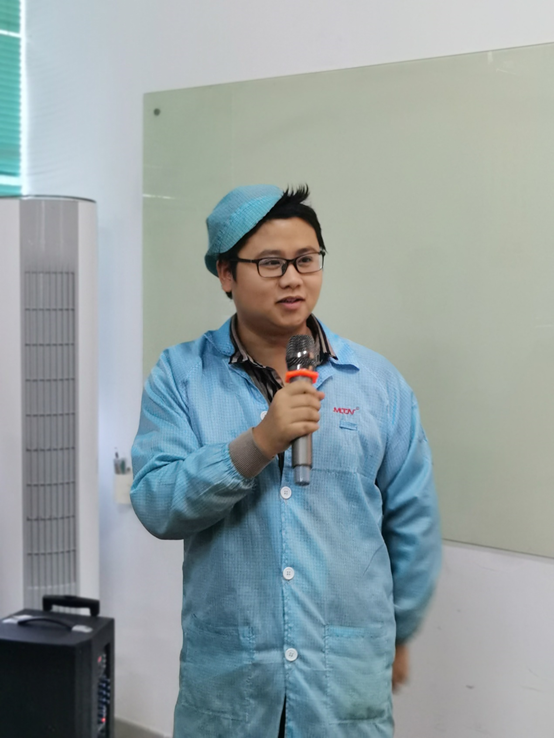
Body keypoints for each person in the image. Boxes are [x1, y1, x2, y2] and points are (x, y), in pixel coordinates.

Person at [131, 184, 441, 738]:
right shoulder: (180, 376)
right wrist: (257, 444)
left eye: (306, 259)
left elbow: (412, 520)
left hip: (341, 680)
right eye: (271, 263)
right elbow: (157, 503)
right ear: (226, 273)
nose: (293, 278)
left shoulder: (377, 383)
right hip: (232, 681)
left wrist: (401, 630)